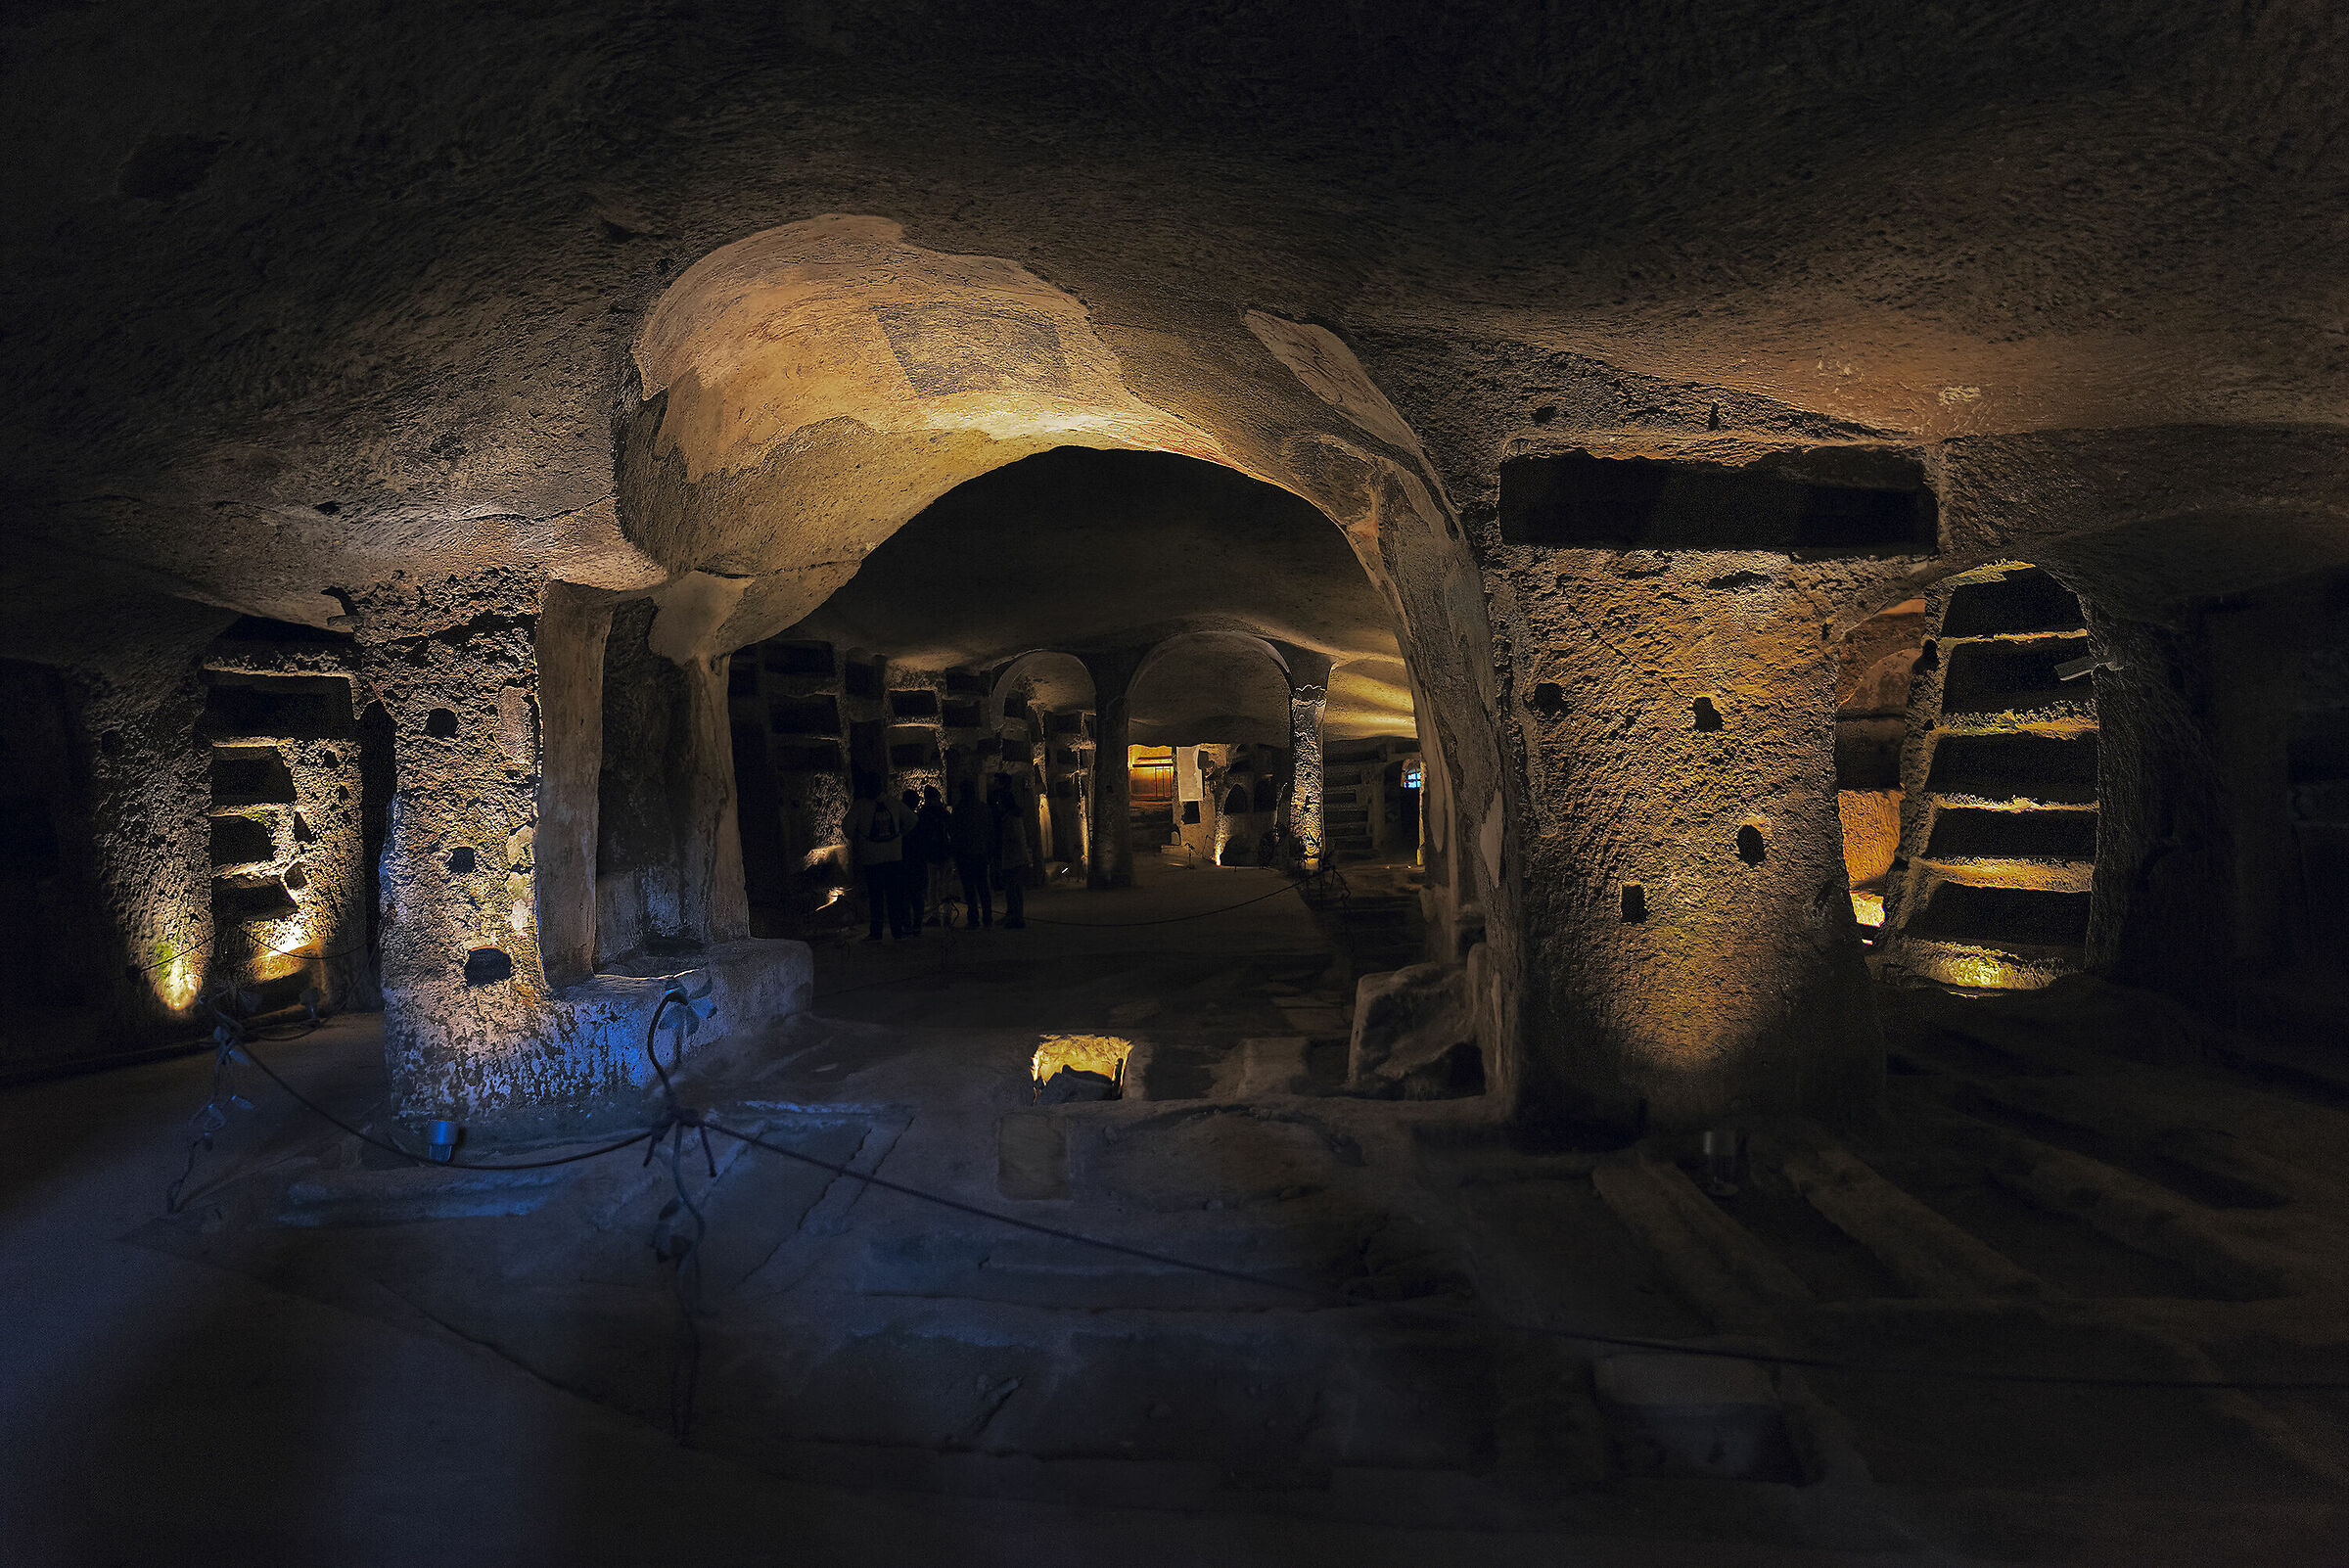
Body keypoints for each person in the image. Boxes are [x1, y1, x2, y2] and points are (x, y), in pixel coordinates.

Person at [844, 774, 918, 941]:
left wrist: (860, 839)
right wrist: (899, 835)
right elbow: (913, 819)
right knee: (895, 896)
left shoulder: (860, 806)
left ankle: (876, 932)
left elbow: (847, 828)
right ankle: (897, 931)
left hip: (872, 858)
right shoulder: (894, 803)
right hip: (894, 857)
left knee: (876, 897)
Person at [948, 778, 992, 928]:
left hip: (965, 854)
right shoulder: (983, 808)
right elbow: (989, 830)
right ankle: (987, 917)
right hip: (980, 852)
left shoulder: (960, 810)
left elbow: (954, 832)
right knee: (983, 887)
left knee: (969, 888)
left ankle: (973, 918)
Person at [988, 771, 1030, 929]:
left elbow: (1012, 839)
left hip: (1013, 857)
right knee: (1012, 888)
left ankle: (1017, 918)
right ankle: (1012, 915)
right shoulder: (1011, 816)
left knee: (1014, 888)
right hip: (1014, 857)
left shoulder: (1011, 818)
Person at [912, 783, 953, 926]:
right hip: (941, 853)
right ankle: (945, 914)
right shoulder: (943, 814)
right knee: (942, 886)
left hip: (932, 854)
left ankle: (936, 915)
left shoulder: (923, 815)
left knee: (933, 886)